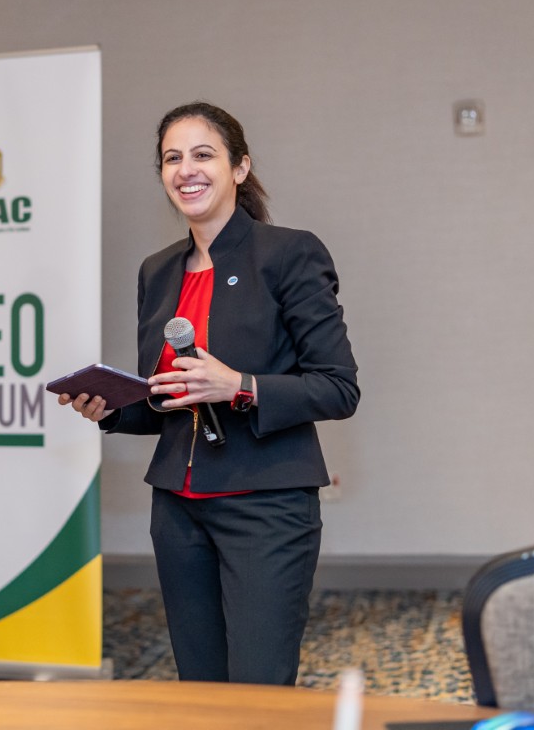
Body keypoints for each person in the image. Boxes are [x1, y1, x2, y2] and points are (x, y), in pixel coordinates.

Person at [59, 101, 359, 685]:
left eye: (203, 154)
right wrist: (110, 409)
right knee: (200, 689)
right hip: (177, 510)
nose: (186, 169)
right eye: (172, 158)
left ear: (239, 168)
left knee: (258, 691)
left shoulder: (290, 254)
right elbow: (167, 402)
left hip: (266, 505)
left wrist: (239, 386)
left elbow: (338, 388)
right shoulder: (157, 271)